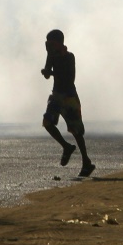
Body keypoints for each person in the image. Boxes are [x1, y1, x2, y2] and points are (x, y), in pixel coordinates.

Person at [40, 29, 95, 177]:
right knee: (47, 122)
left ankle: (86, 162)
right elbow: (48, 73)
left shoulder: (69, 57)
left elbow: (69, 78)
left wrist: (51, 73)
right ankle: (66, 147)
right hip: (56, 95)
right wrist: (46, 71)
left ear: (58, 43)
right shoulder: (51, 56)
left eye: (51, 43)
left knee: (76, 131)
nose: (48, 45)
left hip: (69, 97)